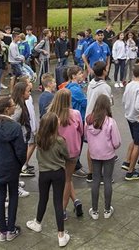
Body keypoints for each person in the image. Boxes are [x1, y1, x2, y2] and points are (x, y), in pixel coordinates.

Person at [25, 112, 71, 247]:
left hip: (44, 173)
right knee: (58, 202)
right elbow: (67, 155)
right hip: (58, 173)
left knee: (43, 199)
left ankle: (37, 223)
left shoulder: (39, 138)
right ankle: (61, 234)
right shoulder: (60, 140)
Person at [0, 96, 26, 242]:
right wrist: (20, 164)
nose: (15, 106)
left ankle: (2, 230)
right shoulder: (14, 127)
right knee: (13, 195)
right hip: (11, 166)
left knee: (0, 196)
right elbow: (21, 151)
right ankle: (11, 228)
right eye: (13, 105)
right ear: (7, 109)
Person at [48, 88, 84, 220]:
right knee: (68, 179)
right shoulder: (76, 114)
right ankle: (70, 204)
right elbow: (81, 131)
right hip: (73, 151)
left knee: (63, 180)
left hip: (57, 152)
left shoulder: (52, 115)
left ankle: (65, 207)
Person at [85, 94, 121, 220]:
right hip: (108, 154)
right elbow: (116, 142)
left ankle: (94, 211)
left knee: (95, 181)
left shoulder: (89, 120)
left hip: (94, 154)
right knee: (107, 180)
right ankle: (107, 209)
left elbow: (86, 137)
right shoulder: (110, 122)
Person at [122, 64, 139, 180]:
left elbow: (124, 100)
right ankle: (131, 171)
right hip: (137, 118)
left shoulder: (129, 85)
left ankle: (127, 162)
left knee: (134, 139)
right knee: (138, 143)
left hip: (129, 116)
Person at [10, 81, 37, 178]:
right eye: (28, 91)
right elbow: (12, 122)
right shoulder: (18, 108)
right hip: (19, 138)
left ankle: (16, 182)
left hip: (23, 137)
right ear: (21, 93)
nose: (29, 93)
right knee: (16, 162)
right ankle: (15, 184)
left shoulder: (22, 104)